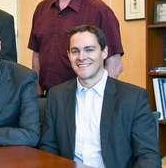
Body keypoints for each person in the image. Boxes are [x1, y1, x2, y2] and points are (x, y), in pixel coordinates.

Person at [39, 25, 160, 168]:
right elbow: (48, 149)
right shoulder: (56, 96)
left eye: (89, 49)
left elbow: (148, 156)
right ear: (68, 55)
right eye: (75, 51)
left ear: (104, 52)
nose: (81, 57)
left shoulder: (133, 98)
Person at [28, 0, 124, 95]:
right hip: (47, 100)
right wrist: (37, 93)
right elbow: (36, 55)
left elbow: (114, 65)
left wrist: (98, 101)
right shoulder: (41, 9)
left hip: (83, 99)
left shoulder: (100, 11)